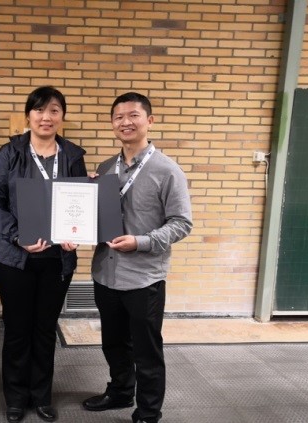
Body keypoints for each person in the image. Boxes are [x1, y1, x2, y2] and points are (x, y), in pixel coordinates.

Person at [82, 92, 192, 423]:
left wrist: (141, 242)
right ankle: (119, 392)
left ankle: (148, 411)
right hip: (106, 273)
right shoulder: (105, 168)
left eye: (133, 115)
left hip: (144, 277)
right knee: (113, 343)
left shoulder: (167, 170)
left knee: (147, 351)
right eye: (118, 117)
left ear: (149, 121)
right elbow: (97, 218)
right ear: (112, 123)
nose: (125, 122)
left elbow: (182, 223)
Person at [0, 86, 87, 422]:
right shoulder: (9, 153)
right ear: (28, 115)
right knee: (17, 329)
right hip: (16, 258)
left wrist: (76, 233)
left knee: (44, 330)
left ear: (62, 116)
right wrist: (17, 236)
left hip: (57, 260)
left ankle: (41, 396)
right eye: (40, 110)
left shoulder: (72, 155)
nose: (46, 117)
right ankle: (15, 398)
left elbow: (79, 200)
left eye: (54, 110)